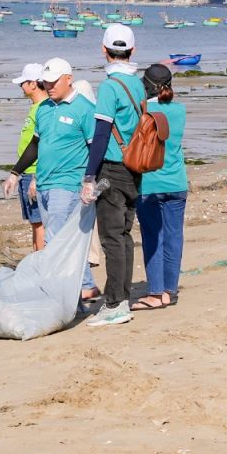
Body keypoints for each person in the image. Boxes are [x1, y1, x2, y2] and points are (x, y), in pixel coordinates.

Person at [5, 56, 98, 302]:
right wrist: (15, 173)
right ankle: (86, 285)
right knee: (63, 239)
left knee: (55, 238)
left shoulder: (85, 109)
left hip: (68, 184)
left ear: (69, 79)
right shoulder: (44, 110)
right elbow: (35, 144)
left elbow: (96, 148)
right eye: (46, 82)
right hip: (44, 183)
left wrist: (90, 181)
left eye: (54, 82)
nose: (50, 86)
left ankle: (61, 289)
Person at [81, 23, 146, 327]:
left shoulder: (109, 87)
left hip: (111, 168)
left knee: (111, 239)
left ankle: (115, 303)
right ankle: (123, 297)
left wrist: (89, 177)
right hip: (135, 168)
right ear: (132, 51)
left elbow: (101, 134)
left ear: (103, 50)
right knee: (124, 236)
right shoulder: (138, 85)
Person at [133, 63, 185, 311]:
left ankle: (155, 292)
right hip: (177, 181)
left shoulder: (142, 112)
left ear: (146, 85)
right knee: (174, 236)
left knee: (153, 237)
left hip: (150, 182)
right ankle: (169, 291)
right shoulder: (180, 110)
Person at [10, 63, 48, 251]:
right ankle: (37, 257)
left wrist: (36, 177)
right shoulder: (36, 107)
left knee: (38, 221)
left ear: (33, 84)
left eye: (22, 83)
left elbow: (44, 145)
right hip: (27, 171)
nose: (21, 87)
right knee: (35, 222)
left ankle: (40, 261)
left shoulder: (43, 109)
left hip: (34, 172)